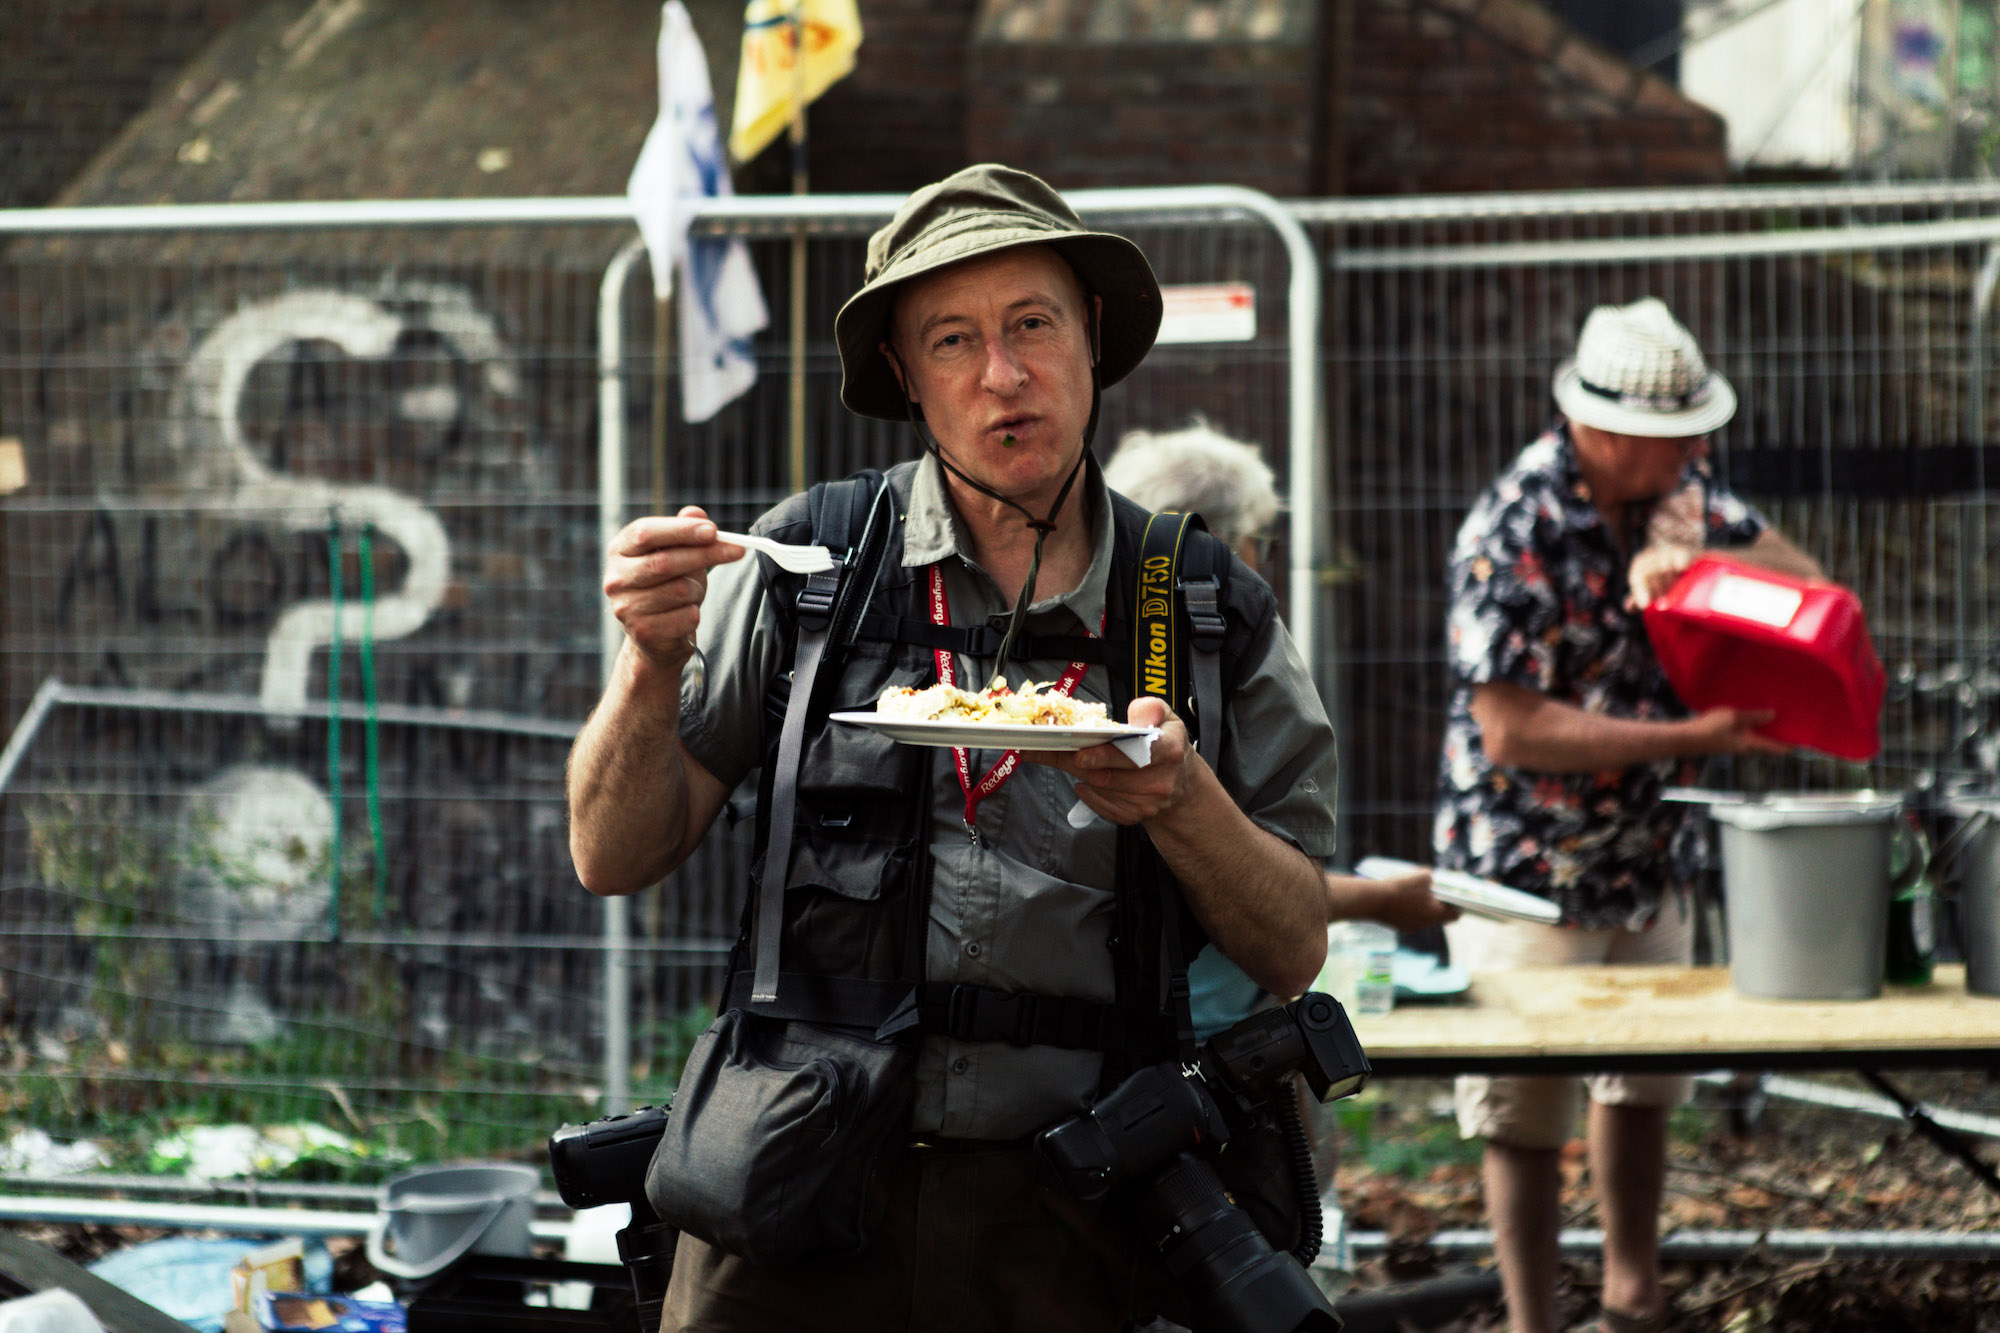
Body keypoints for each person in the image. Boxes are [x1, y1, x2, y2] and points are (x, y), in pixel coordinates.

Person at [567, 165, 1342, 1333]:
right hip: (791, 1190)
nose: (1003, 374)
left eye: (1033, 324)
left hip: (1070, 1214)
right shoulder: (807, 566)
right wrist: (645, 664)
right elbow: (610, 855)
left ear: (1092, 342)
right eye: (951, 340)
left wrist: (1179, 801)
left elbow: (1291, 947)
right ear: (903, 377)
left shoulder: (1197, 601)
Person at [1433, 297, 1824, 1333]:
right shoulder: (1511, 525)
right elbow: (1510, 730)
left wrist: (1706, 566)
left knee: (1642, 1081)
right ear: (1601, 432)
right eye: (1676, 433)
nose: (1698, 446)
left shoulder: (1680, 496)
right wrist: (1690, 737)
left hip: (1645, 851)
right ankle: (1530, 1319)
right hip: (1523, 863)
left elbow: (1812, 588)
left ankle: (1630, 1297)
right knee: (1522, 1105)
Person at [1102, 418, 1459, 1039]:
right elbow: (1245, 879)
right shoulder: (1210, 669)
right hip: (1205, 1025)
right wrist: (1379, 901)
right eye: (1262, 540)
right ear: (1217, 544)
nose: (1263, 562)